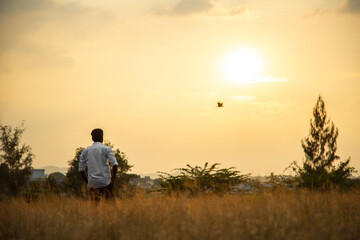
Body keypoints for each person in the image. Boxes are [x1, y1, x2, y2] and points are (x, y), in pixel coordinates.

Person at [78, 128, 118, 201]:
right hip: (106, 182)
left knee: (95, 208)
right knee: (110, 206)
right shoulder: (106, 149)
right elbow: (114, 165)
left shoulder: (85, 151)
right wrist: (113, 180)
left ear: (92, 138)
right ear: (102, 137)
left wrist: (88, 182)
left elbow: (81, 169)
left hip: (93, 183)